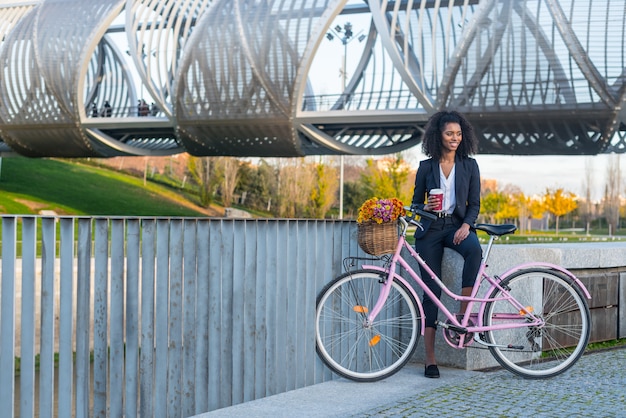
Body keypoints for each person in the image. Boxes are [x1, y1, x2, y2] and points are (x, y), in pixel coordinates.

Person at [410, 110, 482, 379]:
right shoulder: (426, 167)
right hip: (430, 228)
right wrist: (424, 205)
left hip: (456, 226)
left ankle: (462, 319)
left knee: (474, 250)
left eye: (458, 134)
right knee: (431, 291)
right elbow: (415, 202)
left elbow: (474, 204)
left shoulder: (470, 165)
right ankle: (430, 359)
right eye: (449, 133)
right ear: (438, 136)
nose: (455, 138)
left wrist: (466, 226)